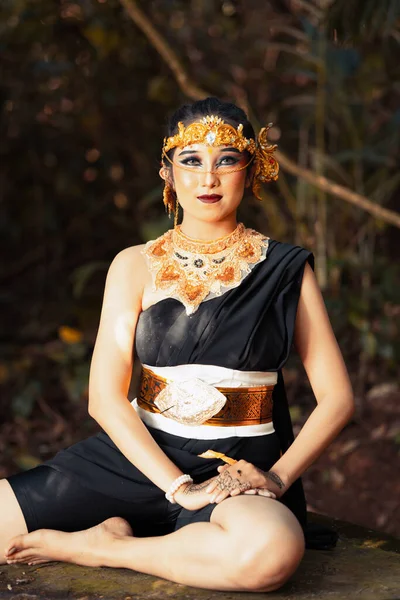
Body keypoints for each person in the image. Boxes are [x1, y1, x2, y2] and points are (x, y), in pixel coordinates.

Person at [1, 97, 355, 593]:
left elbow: (337, 400)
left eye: (226, 160)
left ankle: (106, 548)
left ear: (250, 169)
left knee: (268, 556)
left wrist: (275, 478)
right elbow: (103, 398)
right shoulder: (132, 264)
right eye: (191, 161)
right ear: (167, 172)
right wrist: (177, 486)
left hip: (234, 469)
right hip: (136, 455)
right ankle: (139, 526)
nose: (208, 178)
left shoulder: (286, 269)